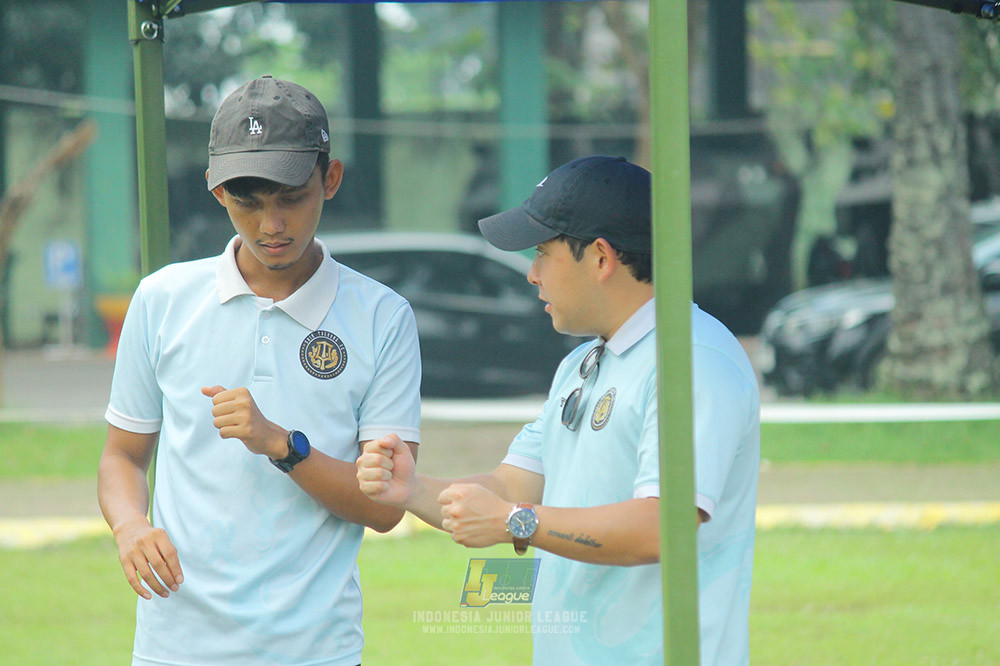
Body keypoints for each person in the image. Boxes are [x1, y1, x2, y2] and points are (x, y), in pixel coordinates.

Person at [357, 155, 760, 665]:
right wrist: (411, 488)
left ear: (600, 258)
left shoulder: (693, 361)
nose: (531, 274)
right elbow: (510, 487)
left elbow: (663, 526)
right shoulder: (582, 365)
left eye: (543, 253)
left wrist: (515, 523)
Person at [98, 75, 422, 666]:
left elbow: (386, 507)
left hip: (315, 651)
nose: (271, 224)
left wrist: (281, 444)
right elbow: (122, 456)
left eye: (291, 197)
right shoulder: (162, 298)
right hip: (176, 648)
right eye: (248, 201)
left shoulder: (382, 317)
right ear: (217, 191)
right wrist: (129, 528)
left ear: (331, 178)